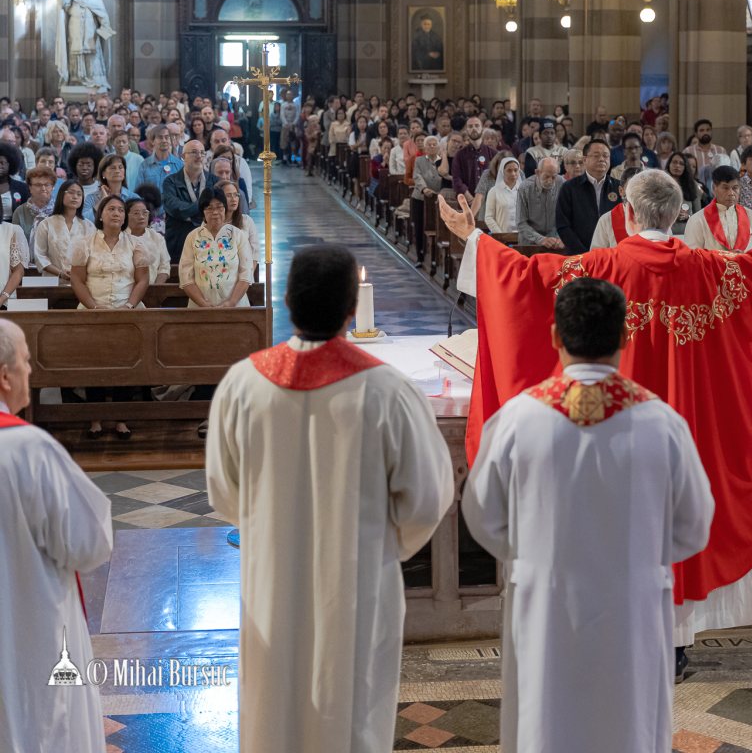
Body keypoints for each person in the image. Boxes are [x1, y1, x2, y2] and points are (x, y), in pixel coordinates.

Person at [441, 169, 752, 679]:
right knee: (671, 526)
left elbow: (526, 279)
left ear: (630, 214)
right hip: (677, 431)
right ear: (677, 212)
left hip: (603, 438)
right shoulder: (710, 270)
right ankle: (674, 645)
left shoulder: (600, 266)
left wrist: (475, 238)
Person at [206, 244, 453, 753]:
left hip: (271, 581)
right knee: (352, 709)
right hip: (358, 585)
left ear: (289, 300)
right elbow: (428, 497)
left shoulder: (242, 383)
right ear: (349, 310)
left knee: (275, 709)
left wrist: (267, 525)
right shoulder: (387, 390)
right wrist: (383, 549)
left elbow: (224, 492)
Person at [462, 277, 713, 753]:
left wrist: (531, 553)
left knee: (546, 724)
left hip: (545, 604)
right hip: (633, 605)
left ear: (555, 336)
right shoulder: (662, 423)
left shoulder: (518, 419)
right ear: (624, 337)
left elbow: (482, 514)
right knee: (629, 725)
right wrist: (645, 554)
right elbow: (694, 525)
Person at [0, 318, 112, 751]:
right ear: (5, 376)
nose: (32, 371)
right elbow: (89, 544)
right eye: (27, 362)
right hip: (32, 639)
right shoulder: (30, 451)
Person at [71, 194, 150, 439]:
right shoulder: (85, 243)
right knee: (95, 365)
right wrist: (93, 307)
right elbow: (77, 278)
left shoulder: (135, 244)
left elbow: (142, 279)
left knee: (125, 365)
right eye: (111, 209)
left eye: (120, 210)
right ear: (101, 214)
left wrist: (129, 305)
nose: (116, 213)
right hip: (93, 312)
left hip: (126, 313)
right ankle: (95, 418)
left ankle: (120, 419)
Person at [179, 189, 253, 308]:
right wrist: (202, 303)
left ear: (225, 209)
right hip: (200, 308)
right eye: (209, 208)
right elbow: (185, 276)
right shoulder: (193, 237)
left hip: (235, 306)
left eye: (219, 207)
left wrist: (231, 302)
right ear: (203, 212)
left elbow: (246, 273)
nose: (215, 212)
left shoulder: (237, 235)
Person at [555, 138, 620, 254]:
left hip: (612, 255)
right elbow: (563, 225)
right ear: (585, 160)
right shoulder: (569, 188)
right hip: (578, 256)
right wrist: (584, 254)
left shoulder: (618, 187)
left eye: (605, 156)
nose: (601, 159)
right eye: (596, 155)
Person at [684, 165, 752, 252]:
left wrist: (744, 258)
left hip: (745, 265)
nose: (731, 193)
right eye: (725, 188)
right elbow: (692, 257)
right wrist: (725, 258)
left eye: (735, 188)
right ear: (714, 188)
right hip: (714, 265)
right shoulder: (698, 220)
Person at [163, 139, 219, 262]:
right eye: (194, 152)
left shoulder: (214, 181)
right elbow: (176, 209)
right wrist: (204, 209)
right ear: (183, 156)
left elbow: (218, 211)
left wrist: (189, 216)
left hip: (209, 244)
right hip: (179, 245)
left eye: (202, 153)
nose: (199, 156)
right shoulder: (170, 182)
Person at [34, 179, 93, 282]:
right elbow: (40, 256)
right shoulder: (46, 224)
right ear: (61, 195)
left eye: (79, 194)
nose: (75, 197)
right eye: (71, 192)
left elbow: (93, 256)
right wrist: (60, 273)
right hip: (52, 282)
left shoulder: (88, 226)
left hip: (81, 281)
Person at [515, 156, 564, 248]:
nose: (550, 181)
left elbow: (566, 217)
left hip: (555, 243)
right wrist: (541, 239)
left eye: (553, 177)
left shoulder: (562, 183)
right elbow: (521, 223)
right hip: (529, 244)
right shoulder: (525, 188)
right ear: (537, 172)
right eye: (546, 176)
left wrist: (559, 238)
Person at [590, 168, 642, 249]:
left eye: (642, 188)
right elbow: (597, 256)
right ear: (621, 191)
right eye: (632, 188)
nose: (636, 193)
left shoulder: (657, 217)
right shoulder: (607, 220)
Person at [124, 193, 170, 284]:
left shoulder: (157, 237)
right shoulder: (120, 237)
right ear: (125, 215)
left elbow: (164, 267)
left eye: (145, 213)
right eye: (136, 213)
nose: (141, 217)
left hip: (153, 290)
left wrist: (155, 291)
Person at [451, 116, 496, 197]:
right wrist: (468, 196)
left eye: (477, 125)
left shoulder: (494, 154)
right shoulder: (459, 155)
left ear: (482, 129)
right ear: (466, 130)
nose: (474, 128)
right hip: (467, 200)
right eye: (470, 126)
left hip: (489, 200)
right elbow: (456, 179)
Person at [681, 119, 729, 191]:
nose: (705, 132)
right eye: (702, 130)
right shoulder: (688, 151)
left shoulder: (720, 150)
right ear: (696, 134)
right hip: (695, 189)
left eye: (708, 130)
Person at [135, 124, 184, 193]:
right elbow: (139, 192)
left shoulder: (179, 165)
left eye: (167, 137)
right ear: (152, 141)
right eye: (160, 137)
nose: (164, 140)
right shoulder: (144, 165)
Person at [483, 156, 522, 234]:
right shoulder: (494, 191)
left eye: (515, 170)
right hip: (502, 237)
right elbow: (489, 217)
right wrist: (501, 234)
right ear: (502, 171)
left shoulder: (524, 191)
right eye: (509, 170)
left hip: (522, 237)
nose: (513, 173)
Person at [665, 151, 704, 220]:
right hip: (664, 228)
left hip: (686, 228)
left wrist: (688, 216)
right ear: (669, 164)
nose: (677, 166)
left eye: (681, 164)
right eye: (674, 162)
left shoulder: (693, 185)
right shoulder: (660, 183)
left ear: (685, 167)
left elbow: (698, 215)